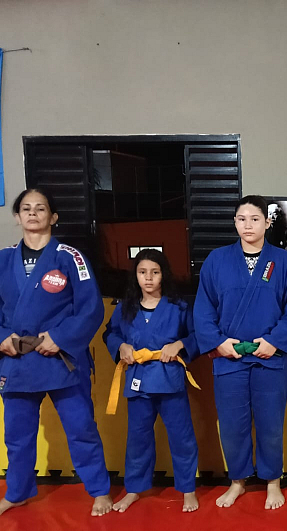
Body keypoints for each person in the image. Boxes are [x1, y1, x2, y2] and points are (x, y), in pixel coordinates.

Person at [0, 189, 112, 517]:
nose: (33, 213)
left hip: (61, 359)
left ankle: (99, 490)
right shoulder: (3, 259)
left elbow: (90, 308)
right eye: (26, 209)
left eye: (40, 208)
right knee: (17, 436)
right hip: (17, 359)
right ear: (18, 216)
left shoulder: (70, 257)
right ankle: (17, 492)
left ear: (53, 216)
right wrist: (2, 337)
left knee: (81, 429)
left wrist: (61, 338)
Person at [193, 195, 287, 510]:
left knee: (271, 425)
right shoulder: (217, 260)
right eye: (241, 219)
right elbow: (203, 309)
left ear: (267, 222)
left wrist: (275, 341)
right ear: (235, 222)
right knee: (232, 425)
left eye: (255, 219)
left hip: (270, 358)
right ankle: (237, 481)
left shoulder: (282, 261)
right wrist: (218, 343)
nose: (248, 225)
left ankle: (272, 481)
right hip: (230, 358)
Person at [103, 248, 200, 513]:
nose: (148, 278)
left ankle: (188, 489)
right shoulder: (124, 308)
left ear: (163, 275)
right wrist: (120, 346)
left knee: (181, 437)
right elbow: (110, 333)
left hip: (169, 380)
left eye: (155, 272)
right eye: (142, 272)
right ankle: (134, 489)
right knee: (138, 438)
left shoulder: (179, 307)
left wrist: (180, 344)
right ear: (135, 275)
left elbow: (196, 336)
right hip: (138, 379)